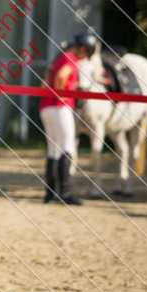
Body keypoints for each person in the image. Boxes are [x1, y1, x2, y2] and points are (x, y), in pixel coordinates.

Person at [39, 32, 95, 205]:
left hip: (45, 108)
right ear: (83, 48)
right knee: (67, 148)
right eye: (86, 53)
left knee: (52, 151)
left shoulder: (58, 57)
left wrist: (70, 87)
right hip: (59, 108)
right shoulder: (71, 58)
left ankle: (50, 194)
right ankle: (65, 193)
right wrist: (62, 96)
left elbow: (44, 83)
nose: (85, 57)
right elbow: (62, 76)